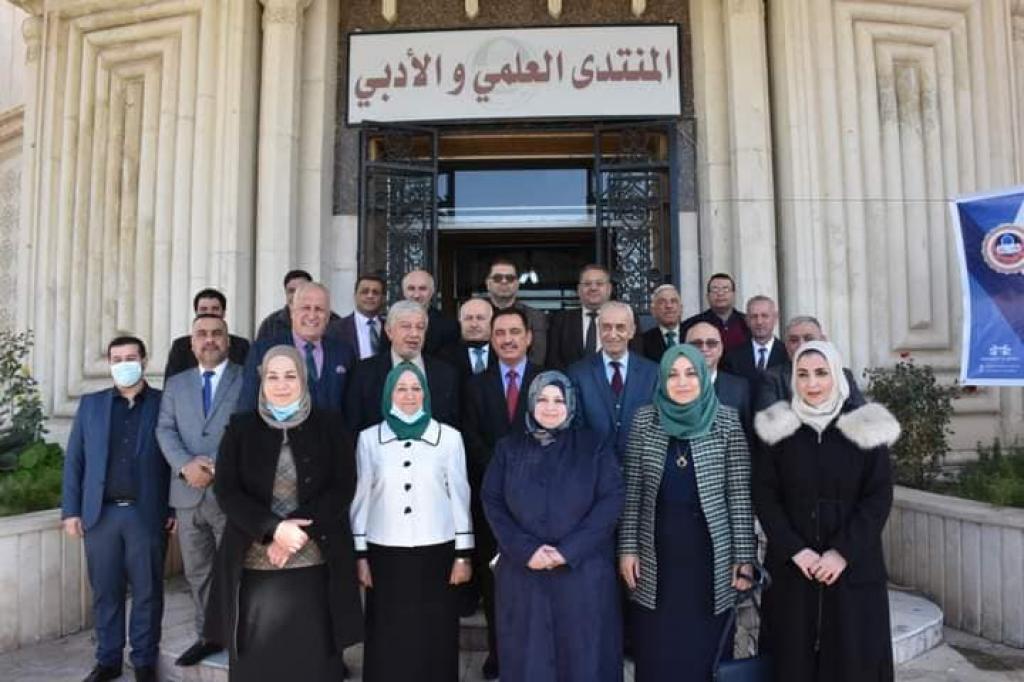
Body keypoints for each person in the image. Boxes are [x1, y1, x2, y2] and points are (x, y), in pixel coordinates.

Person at [204, 345, 363, 681]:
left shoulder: (329, 425)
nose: (281, 384)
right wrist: (273, 529)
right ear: (262, 382)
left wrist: (295, 533)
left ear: (303, 380)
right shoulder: (240, 427)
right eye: (272, 377)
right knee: (258, 664)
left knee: (313, 661)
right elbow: (227, 491)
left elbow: (343, 486)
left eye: (290, 375)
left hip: (316, 565)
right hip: (254, 565)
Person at [753, 340, 899, 682]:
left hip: (853, 568)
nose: (812, 383)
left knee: (853, 661)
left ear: (837, 375)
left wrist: (841, 552)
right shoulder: (778, 428)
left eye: (821, 373)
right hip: (794, 570)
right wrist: (797, 550)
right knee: (792, 660)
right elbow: (765, 495)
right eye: (803, 375)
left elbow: (878, 497)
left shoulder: (865, 427)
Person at [618, 344, 756, 681]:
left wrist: (744, 558)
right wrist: (627, 548)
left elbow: (739, 496)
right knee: (658, 648)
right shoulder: (644, 420)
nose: (682, 382)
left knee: (705, 650)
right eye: (673, 375)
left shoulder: (726, 420)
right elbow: (632, 492)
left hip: (710, 557)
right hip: (656, 555)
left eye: (691, 373)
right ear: (663, 380)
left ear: (703, 377)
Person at [482, 371, 625, 682]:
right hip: (524, 575)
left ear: (570, 404)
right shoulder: (508, 448)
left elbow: (611, 500)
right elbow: (492, 501)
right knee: (529, 660)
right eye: (543, 399)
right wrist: (526, 550)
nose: (550, 407)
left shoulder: (594, 446)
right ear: (531, 402)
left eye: (558, 400)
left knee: (584, 660)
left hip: (582, 574)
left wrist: (567, 552)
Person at [351, 362, 474, 681]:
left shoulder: (449, 438)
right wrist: (360, 554)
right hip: (385, 552)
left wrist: (463, 554)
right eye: (401, 389)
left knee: (436, 632)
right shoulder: (369, 439)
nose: (409, 395)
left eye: (416, 388)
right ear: (389, 394)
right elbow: (361, 499)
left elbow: (460, 496)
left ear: (426, 393)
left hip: (438, 551)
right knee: (387, 633)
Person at [62, 336, 171, 682]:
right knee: (105, 591)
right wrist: (71, 511)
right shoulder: (91, 405)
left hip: (146, 513)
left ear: (144, 361)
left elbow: (173, 458)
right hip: (100, 515)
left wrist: (173, 509)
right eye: (117, 359)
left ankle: (144, 662)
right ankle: (108, 660)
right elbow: (75, 460)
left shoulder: (164, 403)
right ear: (110, 364)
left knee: (148, 592)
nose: (124, 364)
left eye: (131, 357)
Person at [462, 308, 544, 680]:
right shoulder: (475, 385)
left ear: (529, 337)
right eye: (500, 333)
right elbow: (471, 438)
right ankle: (499, 656)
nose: (508, 339)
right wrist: (503, 477)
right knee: (496, 584)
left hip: (541, 503)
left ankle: (536, 655)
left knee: (536, 584)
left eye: (514, 332)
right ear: (492, 340)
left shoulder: (548, 380)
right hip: (492, 503)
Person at [156, 315, 243, 666]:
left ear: (227, 341)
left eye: (217, 334)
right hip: (186, 493)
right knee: (198, 570)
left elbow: (249, 427)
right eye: (202, 334)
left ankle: (238, 635)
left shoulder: (246, 379)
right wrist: (185, 465)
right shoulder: (176, 384)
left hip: (229, 493)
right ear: (191, 343)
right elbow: (164, 429)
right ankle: (208, 635)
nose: (210, 340)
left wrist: (215, 467)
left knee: (234, 569)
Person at [344, 300, 460, 434]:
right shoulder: (363, 373)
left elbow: (453, 426)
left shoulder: (446, 374)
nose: (414, 334)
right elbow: (353, 425)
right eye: (406, 326)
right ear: (389, 331)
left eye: (420, 327)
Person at [239, 281, 356, 413]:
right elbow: (247, 406)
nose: (312, 316)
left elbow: (351, 409)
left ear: (328, 316)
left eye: (319, 309)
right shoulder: (263, 351)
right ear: (292, 312)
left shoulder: (343, 353)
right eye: (305, 308)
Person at [568, 301, 658, 462]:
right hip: (593, 467)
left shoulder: (653, 373)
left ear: (632, 331)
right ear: (598, 330)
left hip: (641, 468)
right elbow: (576, 429)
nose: (613, 334)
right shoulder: (578, 373)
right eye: (606, 327)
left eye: (620, 327)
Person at [754, 315, 865, 412]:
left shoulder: (843, 374)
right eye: (794, 340)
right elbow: (770, 421)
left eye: (809, 338)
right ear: (786, 346)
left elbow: (861, 416)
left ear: (823, 341)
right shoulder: (772, 378)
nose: (801, 345)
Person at [686, 322, 753, 440]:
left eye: (711, 343)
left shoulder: (740, 387)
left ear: (721, 349)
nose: (704, 348)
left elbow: (747, 435)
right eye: (697, 344)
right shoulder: (673, 387)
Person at [163, 289, 250, 378]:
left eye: (215, 309)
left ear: (224, 313)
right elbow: (171, 382)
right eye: (203, 309)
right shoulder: (180, 346)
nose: (209, 313)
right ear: (196, 312)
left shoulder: (241, 346)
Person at [547, 264, 614, 370]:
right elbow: (553, 361)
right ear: (578, 289)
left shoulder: (623, 319)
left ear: (609, 289)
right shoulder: (561, 320)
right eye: (587, 284)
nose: (593, 288)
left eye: (599, 284)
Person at [484, 258, 548, 366]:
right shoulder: (476, 316)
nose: (504, 281)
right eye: (497, 278)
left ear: (517, 284)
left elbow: (537, 359)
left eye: (510, 278)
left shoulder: (536, 317)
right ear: (488, 283)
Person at [255, 269, 346, 341]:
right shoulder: (270, 324)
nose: (296, 295)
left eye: (301, 289)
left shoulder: (334, 321)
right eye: (291, 291)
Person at [681, 273, 750, 355]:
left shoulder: (747, 323)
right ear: (707, 296)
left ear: (733, 295)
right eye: (715, 290)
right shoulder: (692, 324)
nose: (720, 294)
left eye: (725, 289)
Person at [722, 295, 787, 382]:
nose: (759, 322)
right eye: (754, 316)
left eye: (764, 316)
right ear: (747, 320)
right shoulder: (733, 357)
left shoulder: (787, 354)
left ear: (775, 319)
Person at [403, 269, 460, 355]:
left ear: (432, 291)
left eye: (422, 289)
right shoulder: (392, 322)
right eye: (411, 288)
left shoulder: (449, 325)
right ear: (404, 292)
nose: (416, 295)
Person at [437, 297, 494, 381]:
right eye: (468, 318)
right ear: (460, 321)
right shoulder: (444, 356)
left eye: (480, 318)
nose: (474, 324)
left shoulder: (501, 353)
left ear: (492, 321)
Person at [338, 274, 388, 360]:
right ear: (355, 296)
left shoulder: (390, 328)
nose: (370, 296)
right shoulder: (337, 329)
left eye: (375, 292)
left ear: (383, 298)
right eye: (365, 292)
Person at [641, 283, 683, 362]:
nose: (669, 306)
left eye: (673, 301)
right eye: (662, 302)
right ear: (653, 311)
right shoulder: (643, 342)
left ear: (681, 309)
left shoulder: (692, 335)